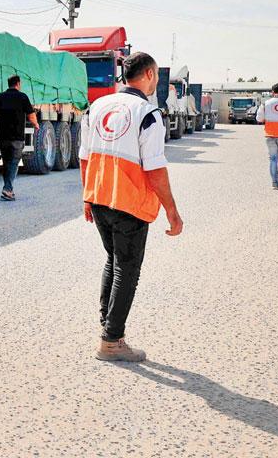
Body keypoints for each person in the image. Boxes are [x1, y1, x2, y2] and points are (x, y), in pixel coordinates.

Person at [78, 51, 183, 363]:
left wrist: (87, 195)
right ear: (149, 75)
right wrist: (172, 211)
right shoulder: (147, 113)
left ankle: (108, 325)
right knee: (127, 267)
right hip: (129, 202)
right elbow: (154, 169)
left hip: (99, 197)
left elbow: (84, 156)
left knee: (114, 260)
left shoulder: (95, 107)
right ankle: (111, 341)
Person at [0, 75, 39, 201]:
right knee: (14, 162)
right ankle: (8, 189)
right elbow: (31, 115)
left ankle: (8, 188)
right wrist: (36, 125)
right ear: (18, 83)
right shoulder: (23, 97)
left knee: (6, 162)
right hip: (17, 137)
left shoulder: (0, 97)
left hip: (3, 136)